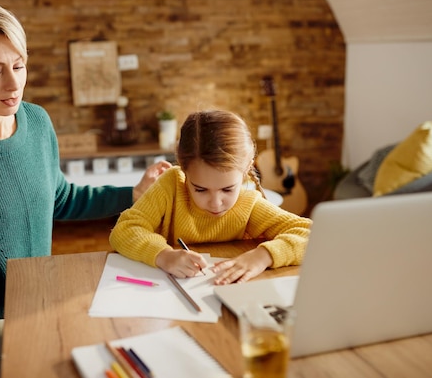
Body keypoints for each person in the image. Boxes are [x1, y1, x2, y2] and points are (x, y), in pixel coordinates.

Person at [0, 0, 170, 378]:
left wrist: (133, 194)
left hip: (24, 307)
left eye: (19, 65)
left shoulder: (36, 122)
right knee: (71, 360)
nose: (14, 85)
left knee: (121, 339)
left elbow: (58, 197)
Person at [109, 110, 312, 285]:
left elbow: (311, 234)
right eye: (200, 190)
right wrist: (164, 255)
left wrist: (263, 256)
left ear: (247, 168)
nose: (216, 203)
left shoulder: (248, 202)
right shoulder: (170, 185)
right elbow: (124, 230)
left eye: (227, 189)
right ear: (184, 169)